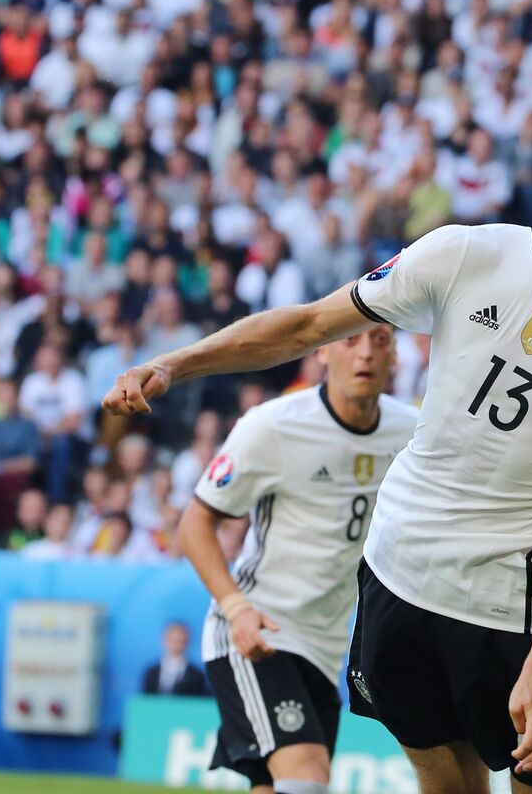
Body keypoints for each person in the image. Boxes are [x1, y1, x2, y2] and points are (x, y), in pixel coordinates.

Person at [102, 111, 532, 794]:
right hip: (400, 584)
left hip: (515, 612)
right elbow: (310, 323)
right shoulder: (467, 254)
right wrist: (177, 363)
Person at [176, 323, 417, 794]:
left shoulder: (410, 433)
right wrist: (236, 609)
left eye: (381, 339)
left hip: (326, 645)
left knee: (277, 786)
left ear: (396, 357)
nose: (366, 353)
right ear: (322, 351)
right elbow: (194, 525)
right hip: (257, 630)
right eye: (350, 339)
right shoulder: (273, 426)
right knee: (306, 777)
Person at [141, 621, 209, 697]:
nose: (176, 643)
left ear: (187, 641)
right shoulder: (152, 672)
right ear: (164, 640)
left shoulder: (196, 675)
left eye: (180, 640)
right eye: (173, 639)